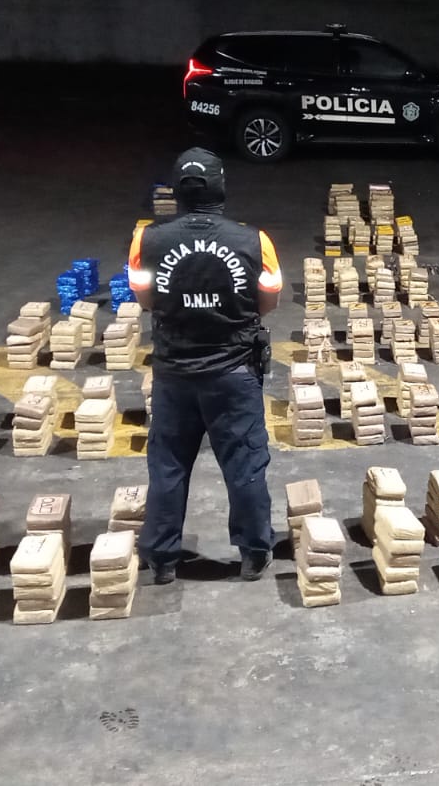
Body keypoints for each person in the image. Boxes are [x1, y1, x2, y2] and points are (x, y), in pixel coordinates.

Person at [128, 148, 282, 584]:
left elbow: (144, 298)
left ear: (177, 191)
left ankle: (162, 559)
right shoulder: (254, 241)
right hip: (233, 372)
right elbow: (268, 300)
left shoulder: (147, 239)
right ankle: (254, 553)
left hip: (174, 373)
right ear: (221, 188)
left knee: (168, 465)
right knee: (245, 464)